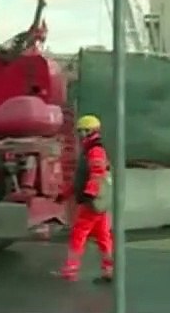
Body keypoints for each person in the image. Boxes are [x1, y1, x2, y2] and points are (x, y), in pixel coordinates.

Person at [59, 114, 113, 283]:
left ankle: (70, 270)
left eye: (84, 131)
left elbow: (96, 173)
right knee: (104, 237)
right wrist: (66, 194)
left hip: (92, 202)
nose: (81, 134)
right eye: (80, 131)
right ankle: (108, 269)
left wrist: (89, 193)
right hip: (99, 203)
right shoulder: (90, 149)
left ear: (92, 131)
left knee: (78, 235)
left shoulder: (94, 150)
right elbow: (80, 180)